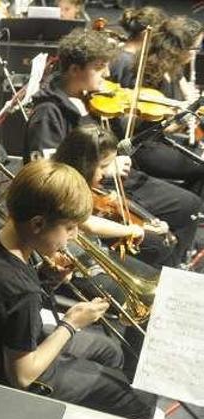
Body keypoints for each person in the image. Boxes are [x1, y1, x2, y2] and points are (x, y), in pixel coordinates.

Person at [0, 159, 156, 419]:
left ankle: (87, 409)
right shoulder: (19, 291)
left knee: (110, 351)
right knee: (136, 401)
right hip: (1, 382)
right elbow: (23, 377)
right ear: (37, 224)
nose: (73, 238)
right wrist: (71, 323)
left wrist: (47, 279)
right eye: (70, 228)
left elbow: (1, 306)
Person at [25, 28, 202, 266]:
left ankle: (172, 267)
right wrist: (106, 167)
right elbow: (48, 175)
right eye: (99, 67)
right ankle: (159, 273)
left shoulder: (89, 97)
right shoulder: (48, 113)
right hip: (93, 191)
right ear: (75, 69)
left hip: (118, 178)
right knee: (171, 225)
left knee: (188, 205)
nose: (107, 74)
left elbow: (118, 139)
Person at [53, 124, 176, 268]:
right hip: (68, 258)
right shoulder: (63, 185)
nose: (107, 173)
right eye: (104, 166)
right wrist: (130, 230)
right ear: (84, 163)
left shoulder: (80, 181)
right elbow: (88, 223)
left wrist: (148, 222)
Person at [125, 17, 204, 196]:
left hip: (164, 142)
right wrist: (183, 120)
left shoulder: (172, 68)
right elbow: (151, 131)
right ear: (178, 49)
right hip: (144, 148)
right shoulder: (152, 76)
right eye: (194, 48)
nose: (196, 53)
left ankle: (192, 205)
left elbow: (185, 91)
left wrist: (192, 102)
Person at [109, 6, 166, 89]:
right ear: (145, 33)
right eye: (159, 34)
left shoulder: (121, 53)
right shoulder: (127, 61)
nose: (161, 39)